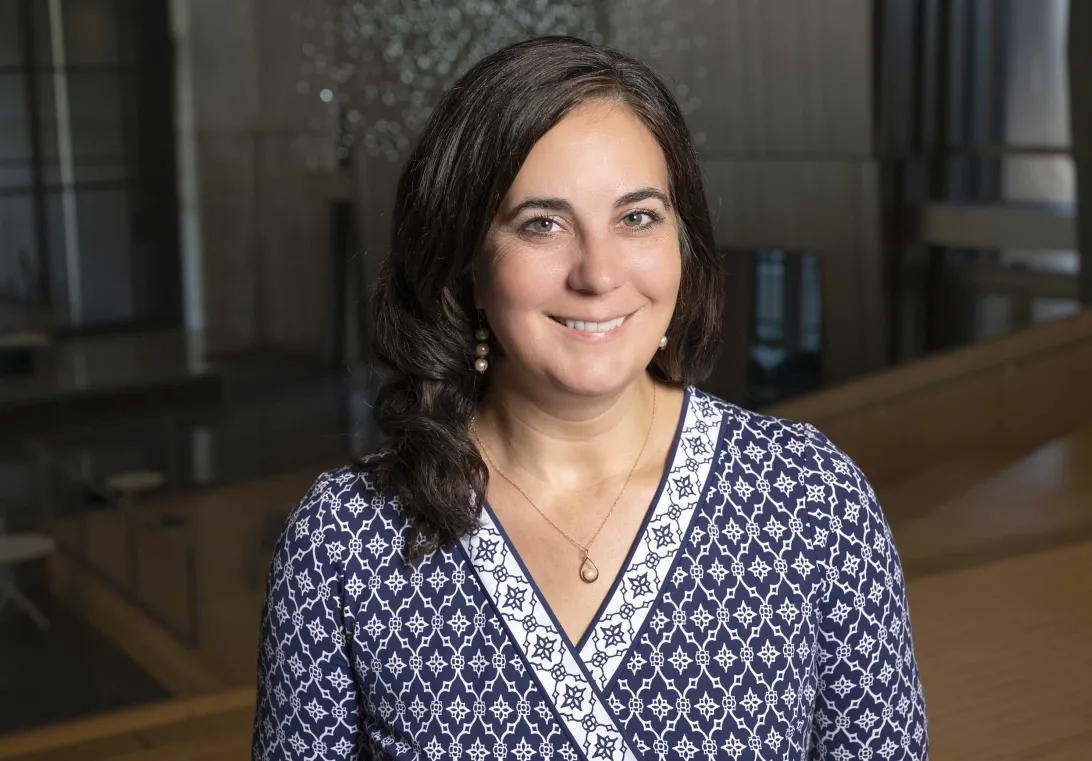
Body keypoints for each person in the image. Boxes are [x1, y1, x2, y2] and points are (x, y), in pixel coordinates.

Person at [253, 36, 928, 761]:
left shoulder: (812, 500)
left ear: (683, 241)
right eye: (542, 223)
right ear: (467, 263)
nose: (598, 273)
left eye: (637, 217)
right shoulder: (344, 541)